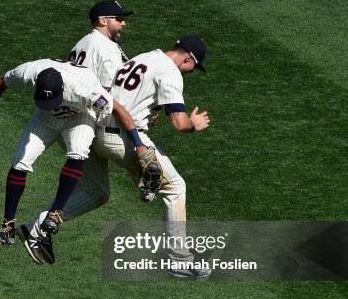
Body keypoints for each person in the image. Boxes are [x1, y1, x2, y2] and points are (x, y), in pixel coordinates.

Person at [21, 35, 212, 280]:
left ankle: (34, 230)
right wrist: (193, 124)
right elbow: (179, 123)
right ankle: (179, 259)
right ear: (188, 58)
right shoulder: (171, 72)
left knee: (96, 192)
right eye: (193, 68)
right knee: (175, 187)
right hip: (122, 138)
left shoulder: (143, 57)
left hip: (92, 129)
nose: (190, 72)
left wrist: (149, 111)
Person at [0, 58, 147, 254]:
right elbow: (0, 82)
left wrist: (138, 144)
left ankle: (55, 212)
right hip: (47, 118)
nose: (51, 104)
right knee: (20, 161)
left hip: (80, 115)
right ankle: (7, 227)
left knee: (78, 152)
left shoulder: (87, 90)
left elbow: (117, 109)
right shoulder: (29, 73)